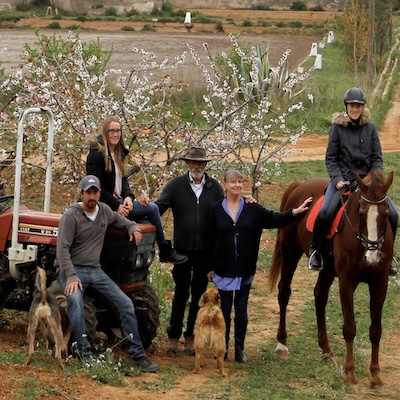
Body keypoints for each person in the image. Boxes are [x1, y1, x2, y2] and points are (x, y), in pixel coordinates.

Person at [55, 175, 159, 372]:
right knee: (76, 302)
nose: (92, 196)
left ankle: (137, 355)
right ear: (82, 193)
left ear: (100, 194)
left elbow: (122, 220)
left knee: (125, 302)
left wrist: (133, 227)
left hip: (95, 270)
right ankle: (83, 353)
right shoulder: (71, 216)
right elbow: (62, 250)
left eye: (95, 192)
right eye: (88, 192)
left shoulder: (104, 211)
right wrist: (70, 276)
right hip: (73, 269)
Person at [207, 169, 312, 362]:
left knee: (241, 311)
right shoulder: (215, 209)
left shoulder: (252, 208)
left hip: (244, 267)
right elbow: (210, 239)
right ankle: (223, 348)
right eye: (233, 182)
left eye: (240, 182)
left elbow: (273, 219)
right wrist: (210, 266)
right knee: (225, 311)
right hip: (224, 267)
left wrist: (294, 212)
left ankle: (239, 349)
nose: (237, 185)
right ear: (225, 184)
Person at [308, 87, 398, 275]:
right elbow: (331, 158)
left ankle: (390, 256)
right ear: (346, 107)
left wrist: (374, 178)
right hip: (343, 181)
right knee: (325, 211)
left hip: (367, 184)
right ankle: (315, 250)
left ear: (363, 108)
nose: (355, 109)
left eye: (358, 106)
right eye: (352, 106)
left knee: (394, 214)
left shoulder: (371, 128)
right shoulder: (337, 128)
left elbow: (377, 158)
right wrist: (338, 179)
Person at [86, 115, 187, 265]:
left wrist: (128, 197)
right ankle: (165, 249)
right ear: (105, 132)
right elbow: (95, 189)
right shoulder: (96, 155)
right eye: (111, 131)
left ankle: (138, 260)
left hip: (120, 201)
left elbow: (123, 180)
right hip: (105, 205)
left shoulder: (118, 153)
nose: (115, 134)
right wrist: (117, 206)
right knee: (152, 209)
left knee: (147, 223)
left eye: (118, 131)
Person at [154, 146, 225, 355]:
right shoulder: (175, 186)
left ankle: (191, 337)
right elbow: (159, 207)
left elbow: (223, 214)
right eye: (194, 162)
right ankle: (173, 337)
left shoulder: (215, 188)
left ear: (205, 165)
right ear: (187, 164)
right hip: (182, 250)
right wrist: (143, 208)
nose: (197, 166)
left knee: (199, 296)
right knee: (180, 294)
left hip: (205, 251)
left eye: (201, 163)